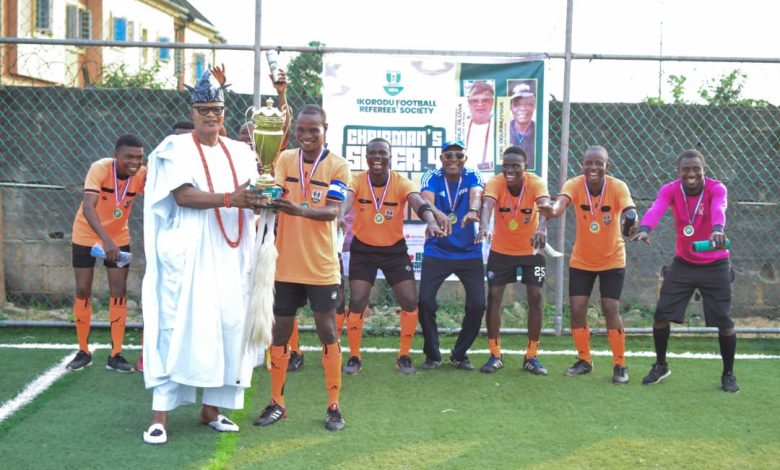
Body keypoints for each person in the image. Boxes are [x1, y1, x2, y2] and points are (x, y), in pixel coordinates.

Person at [141, 70, 262, 445]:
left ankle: (212, 409)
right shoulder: (173, 148)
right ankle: (159, 416)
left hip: (231, 253)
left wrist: (261, 196)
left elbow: (252, 191)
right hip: (189, 252)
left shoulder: (242, 152)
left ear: (225, 112)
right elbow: (183, 196)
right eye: (203, 109)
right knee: (176, 325)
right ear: (192, 112)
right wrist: (231, 199)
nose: (211, 116)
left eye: (217, 109)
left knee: (228, 325)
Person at [254, 104, 351, 431]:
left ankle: (334, 405)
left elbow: (332, 212)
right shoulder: (283, 159)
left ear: (326, 129)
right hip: (284, 265)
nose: (307, 136)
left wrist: (297, 209)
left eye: (314, 130)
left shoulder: (338, 166)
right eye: (302, 130)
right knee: (280, 332)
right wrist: (264, 194)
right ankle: (277, 402)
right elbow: (275, 190)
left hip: (321, 267)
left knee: (327, 330)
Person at [632, 149, 739, 392]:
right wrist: (646, 228)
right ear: (678, 172)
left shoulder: (716, 188)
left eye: (696, 169)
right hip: (684, 263)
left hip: (716, 264)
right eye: (686, 170)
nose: (691, 174)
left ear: (704, 170)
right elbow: (657, 207)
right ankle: (660, 365)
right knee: (661, 315)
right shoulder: (670, 189)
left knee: (724, 320)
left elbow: (719, 208)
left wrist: (717, 229)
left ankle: (729, 373)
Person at [339, 138, 448, 375]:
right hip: (363, 249)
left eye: (382, 153)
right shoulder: (357, 179)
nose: (377, 158)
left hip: (394, 250)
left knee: (409, 300)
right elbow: (347, 199)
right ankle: (354, 356)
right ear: (366, 157)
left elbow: (417, 202)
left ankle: (404, 355)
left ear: (390, 157)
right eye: (372, 153)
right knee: (357, 300)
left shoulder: (400, 182)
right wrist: (339, 214)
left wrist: (430, 221)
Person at [538, 146, 636, 384]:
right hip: (582, 259)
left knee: (610, 307)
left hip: (612, 258)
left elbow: (630, 210)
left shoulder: (617, 186)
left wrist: (632, 221)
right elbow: (560, 205)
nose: (593, 168)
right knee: (578, 308)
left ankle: (620, 364)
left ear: (606, 167)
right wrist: (550, 211)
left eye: (598, 164)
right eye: (588, 163)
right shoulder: (574, 184)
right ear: (582, 165)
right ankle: (584, 360)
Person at [66, 134, 146, 373]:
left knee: (119, 290)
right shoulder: (100, 168)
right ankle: (83, 351)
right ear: (115, 155)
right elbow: (89, 208)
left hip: (119, 238)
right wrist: (106, 241)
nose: (134, 162)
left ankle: (116, 354)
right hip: (86, 234)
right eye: (128, 157)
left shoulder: (141, 174)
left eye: (139, 158)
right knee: (83, 289)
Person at [476, 147, 550, 374]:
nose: (509, 170)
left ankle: (532, 356)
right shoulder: (496, 182)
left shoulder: (536, 183)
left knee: (535, 297)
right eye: (506, 165)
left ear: (525, 168)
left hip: (531, 251)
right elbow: (487, 204)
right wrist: (485, 225)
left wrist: (542, 229)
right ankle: (495, 354)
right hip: (502, 251)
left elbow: (546, 206)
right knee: (495, 297)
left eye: (515, 166)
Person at [418, 140, 486, 371]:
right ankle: (432, 354)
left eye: (459, 155)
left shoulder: (473, 174)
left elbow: (477, 194)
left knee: (477, 305)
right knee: (425, 302)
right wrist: (438, 215)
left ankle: (460, 354)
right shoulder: (431, 176)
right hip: (438, 249)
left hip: (469, 252)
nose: (454, 160)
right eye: (449, 155)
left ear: (465, 159)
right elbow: (426, 201)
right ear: (441, 158)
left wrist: (473, 210)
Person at [464, 81, 495, 171]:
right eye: (474, 101)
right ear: (469, 104)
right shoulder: (461, 127)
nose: (480, 104)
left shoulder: (501, 129)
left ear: (492, 103)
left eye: (485, 100)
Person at [508, 81, 536, 165]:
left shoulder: (540, 132)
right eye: (517, 104)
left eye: (528, 104)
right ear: (511, 107)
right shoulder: (502, 131)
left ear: (534, 106)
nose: (523, 108)